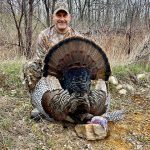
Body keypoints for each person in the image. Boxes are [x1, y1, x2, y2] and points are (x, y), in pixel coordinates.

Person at [23, 0, 111, 125]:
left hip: (74, 83)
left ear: (69, 17)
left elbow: (86, 65)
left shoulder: (77, 36)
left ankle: (80, 107)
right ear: (53, 17)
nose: (62, 19)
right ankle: (39, 104)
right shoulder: (44, 35)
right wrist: (52, 76)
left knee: (93, 76)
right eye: (59, 15)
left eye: (65, 16)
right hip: (51, 78)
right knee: (30, 67)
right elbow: (40, 61)